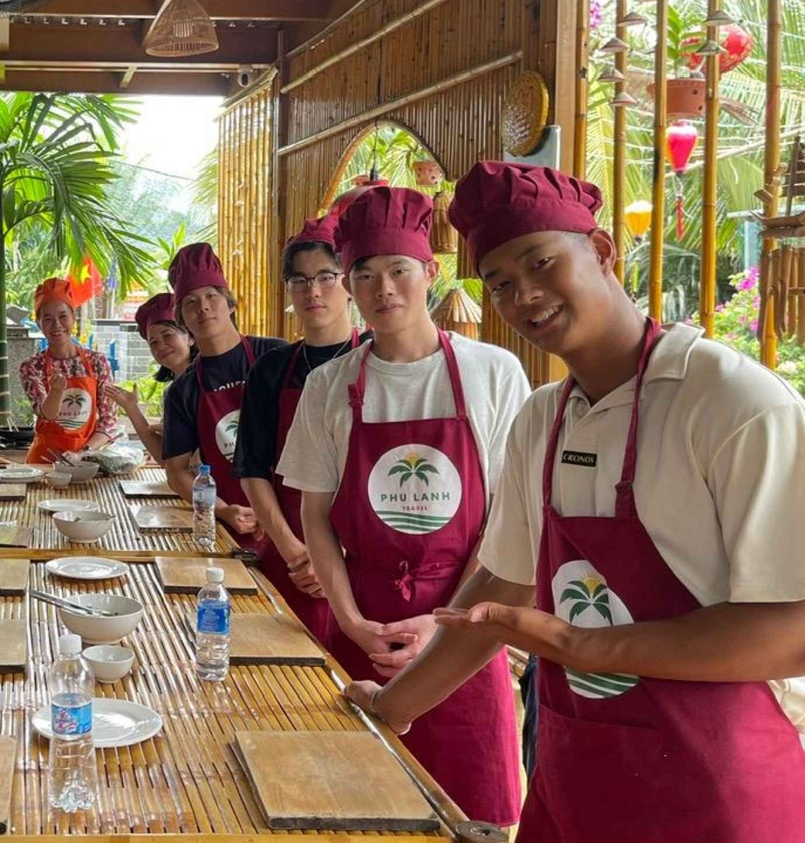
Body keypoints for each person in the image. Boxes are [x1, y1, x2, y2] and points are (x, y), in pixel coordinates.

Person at [345, 162, 805, 842]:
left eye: (541, 262)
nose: (523, 294)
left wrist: (575, 642)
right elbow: (501, 584)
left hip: (716, 798)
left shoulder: (731, 403)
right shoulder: (543, 418)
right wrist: (392, 705)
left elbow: (792, 632)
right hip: (576, 781)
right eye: (500, 282)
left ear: (602, 249)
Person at [278, 185, 525, 827]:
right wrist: (353, 620)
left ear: (430, 274)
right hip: (367, 631)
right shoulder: (331, 385)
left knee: (478, 815)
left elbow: (509, 520)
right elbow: (315, 515)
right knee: (359, 811)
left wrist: (449, 624)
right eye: (364, 274)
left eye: (399, 271)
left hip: (471, 628)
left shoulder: (492, 372)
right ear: (350, 285)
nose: (383, 288)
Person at [235, 211, 365, 643]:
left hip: (365, 556)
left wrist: (340, 555)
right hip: (290, 555)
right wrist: (294, 551)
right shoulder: (271, 370)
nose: (313, 291)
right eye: (300, 280)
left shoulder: (376, 358)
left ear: (348, 281)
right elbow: (252, 467)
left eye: (326, 276)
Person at [162, 243, 287, 549]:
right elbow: (176, 472)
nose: (202, 307)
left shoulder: (276, 355)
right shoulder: (183, 391)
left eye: (211, 296)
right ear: (183, 320)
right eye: (190, 302)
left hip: (296, 520)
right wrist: (222, 510)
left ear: (230, 304)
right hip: (238, 528)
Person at [20, 276, 120, 464]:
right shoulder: (32, 366)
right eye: (47, 319)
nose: (56, 325)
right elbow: (47, 414)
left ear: (73, 318)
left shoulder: (97, 362)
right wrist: (56, 391)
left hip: (87, 462)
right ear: (39, 324)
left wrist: (83, 452)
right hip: (44, 462)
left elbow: (108, 421)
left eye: (63, 316)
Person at [103, 292, 194, 463]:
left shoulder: (210, 382)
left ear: (190, 337)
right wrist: (131, 408)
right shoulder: (172, 392)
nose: (161, 346)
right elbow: (164, 458)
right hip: (191, 485)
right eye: (153, 342)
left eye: (167, 335)